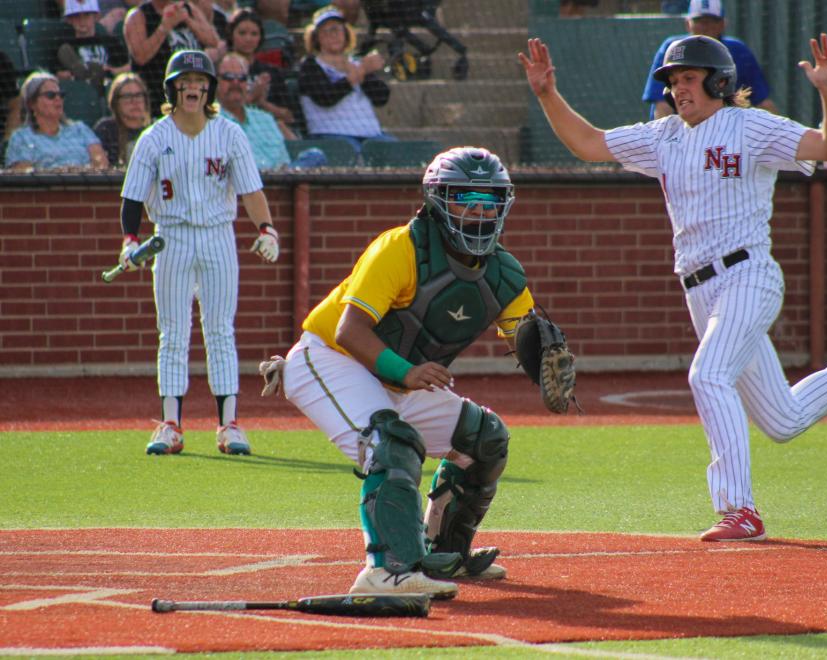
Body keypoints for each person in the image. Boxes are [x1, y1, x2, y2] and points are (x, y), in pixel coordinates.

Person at [519, 34, 827, 541]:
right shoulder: (664, 136)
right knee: (783, 419)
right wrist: (547, 93)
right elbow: (588, 143)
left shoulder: (749, 125)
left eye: (687, 77)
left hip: (748, 275)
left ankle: (738, 509)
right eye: (672, 79)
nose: (677, 87)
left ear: (719, 81)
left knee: (707, 376)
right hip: (699, 290)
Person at [260, 146, 531, 597]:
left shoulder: (504, 273)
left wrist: (548, 362)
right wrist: (407, 374)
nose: (479, 211)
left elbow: (525, 340)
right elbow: (350, 330)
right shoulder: (400, 246)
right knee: (392, 441)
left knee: (486, 438)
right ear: (438, 200)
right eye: (466, 198)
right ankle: (386, 570)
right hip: (329, 359)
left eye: (490, 200)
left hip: (401, 377)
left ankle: (442, 551)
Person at [116, 50, 280, 455]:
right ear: (172, 87)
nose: (192, 87)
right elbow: (133, 198)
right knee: (172, 332)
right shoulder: (154, 137)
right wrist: (130, 240)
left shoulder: (229, 133)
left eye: (199, 80)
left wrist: (267, 228)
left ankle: (229, 425)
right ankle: (170, 425)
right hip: (170, 235)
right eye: (184, 81)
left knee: (220, 329)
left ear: (209, 88)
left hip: (217, 233)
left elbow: (250, 190)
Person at [642, 0, 776, 121]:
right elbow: (662, 105)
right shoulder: (674, 49)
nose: (705, 27)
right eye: (699, 21)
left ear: (723, 24)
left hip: (726, 127)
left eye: (711, 21)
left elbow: (763, 102)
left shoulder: (738, 51)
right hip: (681, 129)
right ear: (688, 24)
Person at [298, 8, 394, 154]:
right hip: (330, 134)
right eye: (326, 31)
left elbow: (381, 97)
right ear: (316, 38)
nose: (333, 35)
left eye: (337, 30)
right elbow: (325, 98)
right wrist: (360, 72)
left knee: (397, 151)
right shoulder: (309, 66)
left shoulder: (356, 62)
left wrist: (362, 72)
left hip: (371, 135)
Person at [124, 0, 225, 117]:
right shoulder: (138, 16)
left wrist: (187, 19)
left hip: (194, 96)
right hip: (157, 100)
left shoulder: (189, 9)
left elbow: (213, 40)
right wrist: (165, 26)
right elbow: (140, 56)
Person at [4, 71, 109, 171]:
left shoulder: (80, 129)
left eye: (61, 95)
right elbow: (23, 177)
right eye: (51, 95)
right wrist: (62, 174)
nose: (58, 99)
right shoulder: (21, 138)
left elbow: (101, 164)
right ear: (32, 103)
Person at [226, 9, 298, 134]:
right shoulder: (222, 70)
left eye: (254, 34)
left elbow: (289, 116)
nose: (248, 39)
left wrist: (262, 103)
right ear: (231, 35)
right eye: (242, 33)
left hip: (267, 131)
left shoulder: (270, 72)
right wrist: (252, 96)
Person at [216, 52, 292, 169]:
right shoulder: (206, 121)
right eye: (228, 77)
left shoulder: (266, 119)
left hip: (278, 183)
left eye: (242, 78)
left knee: (314, 156)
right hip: (237, 184)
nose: (235, 83)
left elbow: (284, 163)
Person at [57, 0, 131, 94]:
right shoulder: (65, 45)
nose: (82, 21)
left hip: (110, 87)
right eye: (77, 16)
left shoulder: (110, 42)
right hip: (81, 91)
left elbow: (129, 66)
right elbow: (58, 74)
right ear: (69, 20)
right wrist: (70, 75)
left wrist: (112, 71)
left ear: (96, 17)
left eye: (87, 15)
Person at [94, 72, 152, 166]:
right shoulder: (105, 129)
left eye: (138, 95)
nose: (134, 101)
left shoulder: (155, 129)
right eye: (127, 96)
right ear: (116, 102)